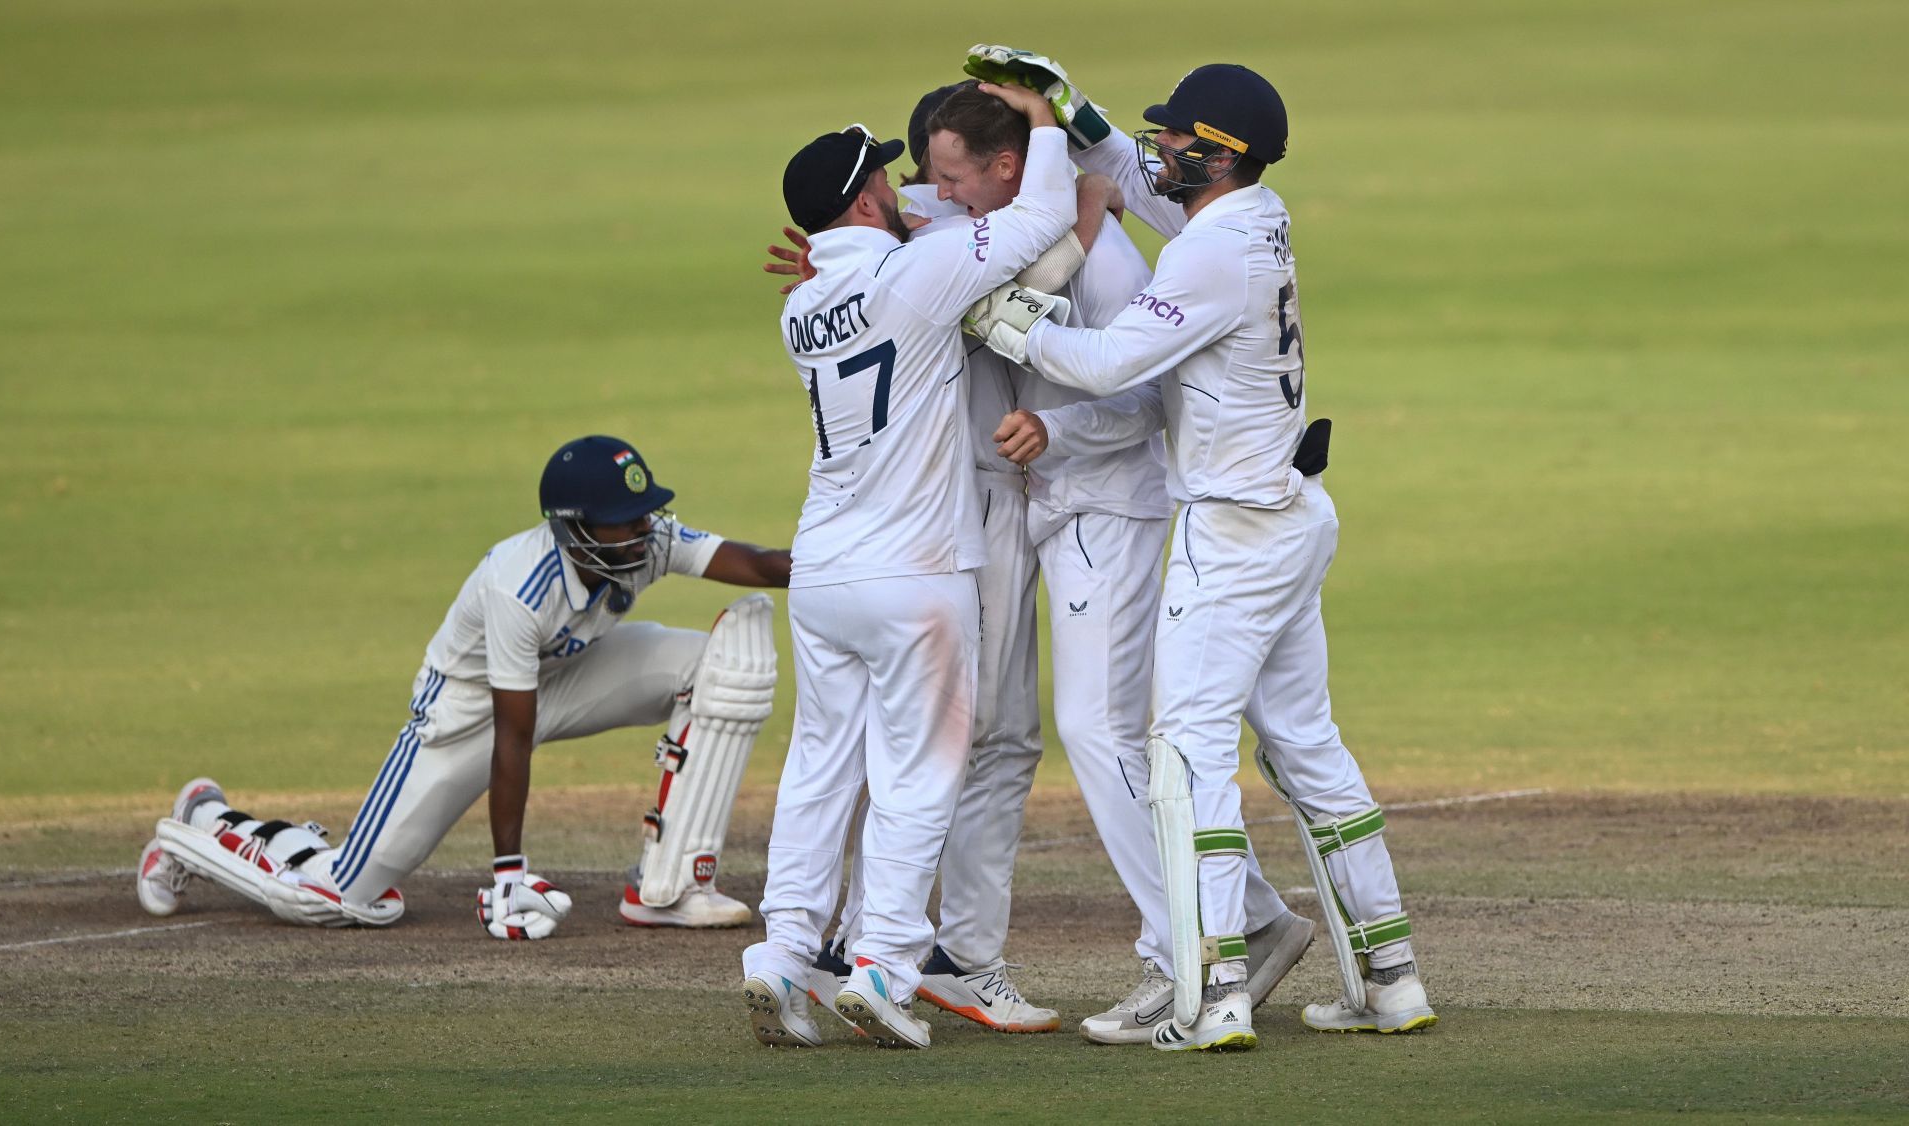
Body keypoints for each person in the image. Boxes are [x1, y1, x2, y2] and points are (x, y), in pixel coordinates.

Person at [963, 46, 1437, 1051]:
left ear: (1217, 157)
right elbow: (1137, 183)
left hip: (1234, 536)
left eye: (1178, 135)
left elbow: (1105, 363)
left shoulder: (1212, 252)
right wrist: (1068, 105)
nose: (1160, 144)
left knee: (1186, 754)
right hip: (1294, 518)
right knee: (1306, 748)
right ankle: (1390, 978)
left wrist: (1005, 321)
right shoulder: (1248, 216)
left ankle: (1215, 989)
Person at [926, 79, 1317, 1045]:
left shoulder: (1104, 250)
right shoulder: (1026, 231)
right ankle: (1251, 923)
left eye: (952, 180)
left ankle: (1181, 949)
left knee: (1100, 731)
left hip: (1117, 507)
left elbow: (1136, 392)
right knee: (1107, 735)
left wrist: (1053, 429)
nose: (943, 198)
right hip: (1072, 513)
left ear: (1012, 168)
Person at [135, 435, 790, 938]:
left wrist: (858, 566)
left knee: (723, 666)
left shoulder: (647, 541)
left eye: (645, 513)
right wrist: (509, 875)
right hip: (468, 713)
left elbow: (758, 562)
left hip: (569, 673)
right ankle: (203, 822)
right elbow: (514, 736)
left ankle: (668, 889)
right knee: (340, 898)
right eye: (625, 519)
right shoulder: (520, 587)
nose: (644, 529)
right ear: (576, 527)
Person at [739, 83, 1075, 1052]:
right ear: (860, 202)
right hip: (916, 570)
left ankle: (784, 953)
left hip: (825, 569)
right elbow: (1044, 215)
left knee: (819, 768)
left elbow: (902, 235)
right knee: (921, 776)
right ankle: (883, 964)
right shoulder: (921, 275)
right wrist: (1045, 128)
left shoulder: (803, 303)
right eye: (886, 176)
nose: (905, 183)